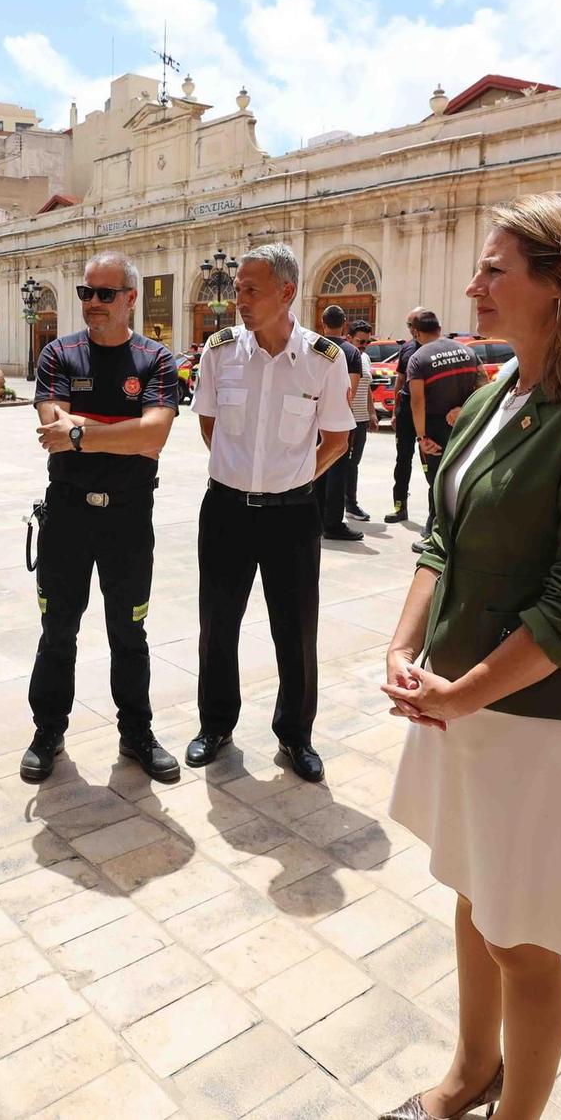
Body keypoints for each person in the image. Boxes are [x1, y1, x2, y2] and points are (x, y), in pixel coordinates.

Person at [376, 192, 561, 1120]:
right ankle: (469, 1073)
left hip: (536, 717)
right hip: (463, 699)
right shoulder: (506, 387)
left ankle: (517, 1111)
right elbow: (442, 536)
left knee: (524, 940)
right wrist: (403, 641)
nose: (473, 286)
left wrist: (463, 691)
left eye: (495, 269)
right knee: (473, 893)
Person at [188, 243, 354, 782]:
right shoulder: (218, 352)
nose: (240, 299)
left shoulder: (322, 360)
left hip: (292, 517)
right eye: (237, 289)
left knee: (295, 629)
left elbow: (336, 437)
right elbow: (209, 425)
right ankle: (215, 725)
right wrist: (245, 472)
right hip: (226, 511)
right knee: (217, 625)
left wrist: (293, 476)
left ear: (287, 293)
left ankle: (295, 735)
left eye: (251, 290)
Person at [21, 251, 181, 784]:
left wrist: (81, 432)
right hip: (67, 517)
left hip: (129, 520)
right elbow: (52, 427)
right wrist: (123, 435)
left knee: (129, 632)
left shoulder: (156, 360)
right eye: (86, 293)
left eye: (104, 293)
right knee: (57, 630)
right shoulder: (59, 354)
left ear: (131, 298)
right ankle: (48, 731)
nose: (92, 302)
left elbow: (155, 434)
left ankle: (136, 731)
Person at [388, 312, 483, 526]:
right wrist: (463, 408)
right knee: (456, 475)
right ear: (439, 328)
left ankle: (434, 530)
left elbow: (417, 401)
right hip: (462, 424)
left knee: (437, 479)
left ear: (417, 332)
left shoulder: (419, 358)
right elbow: (484, 385)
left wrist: (422, 437)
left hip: (434, 427)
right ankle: (450, 525)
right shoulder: (468, 351)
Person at [316, 303, 367, 542]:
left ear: (323, 323)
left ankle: (314, 518)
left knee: (314, 467)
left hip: (311, 418)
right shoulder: (351, 352)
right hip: (338, 420)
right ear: (344, 324)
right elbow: (351, 390)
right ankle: (333, 523)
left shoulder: (313, 347)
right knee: (337, 471)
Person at [384, 307, 426, 522]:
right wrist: (394, 412)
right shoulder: (407, 349)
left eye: (414, 324)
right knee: (403, 459)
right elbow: (400, 380)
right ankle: (400, 505)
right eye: (409, 325)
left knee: (431, 461)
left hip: (430, 411)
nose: (411, 329)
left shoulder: (435, 348)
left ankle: (437, 515)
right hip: (406, 410)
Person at [344, 318, 377, 520]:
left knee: (353, 464)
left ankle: (350, 503)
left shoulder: (365, 358)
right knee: (344, 465)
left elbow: (366, 389)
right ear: (349, 338)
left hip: (361, 420)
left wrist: (372, 412)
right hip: (347, 420)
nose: (364, 346)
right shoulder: (345, 357)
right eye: (360, 341)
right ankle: (348, 504)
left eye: (367, 342)